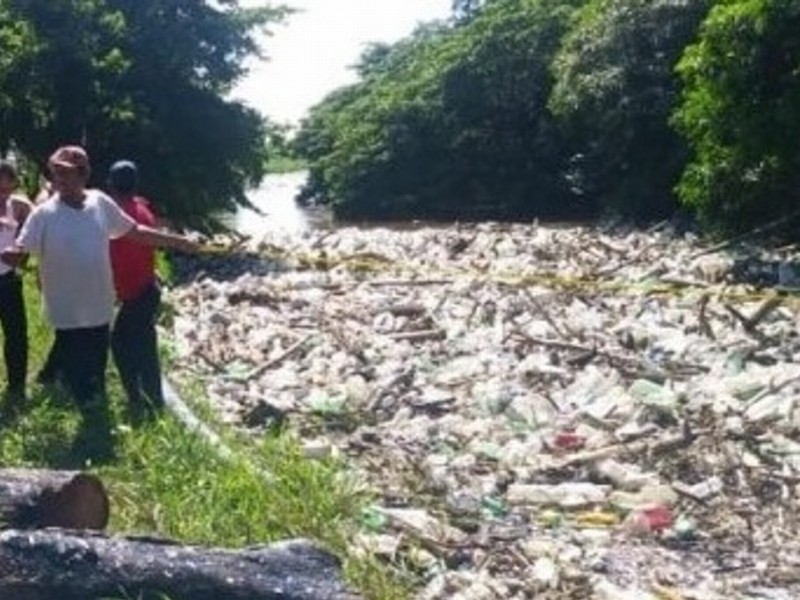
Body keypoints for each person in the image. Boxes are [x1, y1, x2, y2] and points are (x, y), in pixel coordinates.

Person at [0, 145, 197, 457]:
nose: (60, 178)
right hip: (65, 308)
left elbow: (135, 232)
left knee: (97, 360)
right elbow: (21, 255)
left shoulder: (100, 203)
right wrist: (9, 254)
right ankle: (91, 423)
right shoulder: (43, 215)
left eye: (67, 172)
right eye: (56, 172)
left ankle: (97, 422)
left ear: (84, 174)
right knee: (78, 368)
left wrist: (177, 242)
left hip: (100, 303)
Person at [107, 160, 168, 422]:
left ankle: (136, 398)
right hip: (146, 288)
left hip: (137, 293)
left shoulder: (115, 216)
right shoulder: (142, 209)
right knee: (144, 345)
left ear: (110, 184)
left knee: (121, 344)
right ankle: (153, 399)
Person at [0, 161, 32, 408]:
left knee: (17, 335)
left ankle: (17, 387)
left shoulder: (18, 206)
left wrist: (23, 252)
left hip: (8, 280)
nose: (2, 193)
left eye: (5, 188)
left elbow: (37, 223)